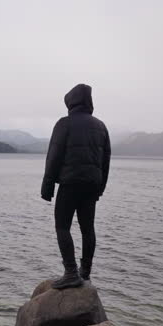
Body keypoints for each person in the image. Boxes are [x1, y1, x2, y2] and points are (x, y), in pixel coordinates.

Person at [41, 83, 111, 289]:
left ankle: (71, 272)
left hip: (70, 184)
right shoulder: (101, 126)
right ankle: (85, 273)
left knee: (62, 225)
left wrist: (47, 187)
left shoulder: (64, 124)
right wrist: (100, 188)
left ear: (71, 102)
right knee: (88, 228)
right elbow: (105, 162)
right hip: (91, 185)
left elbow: (53, 156)